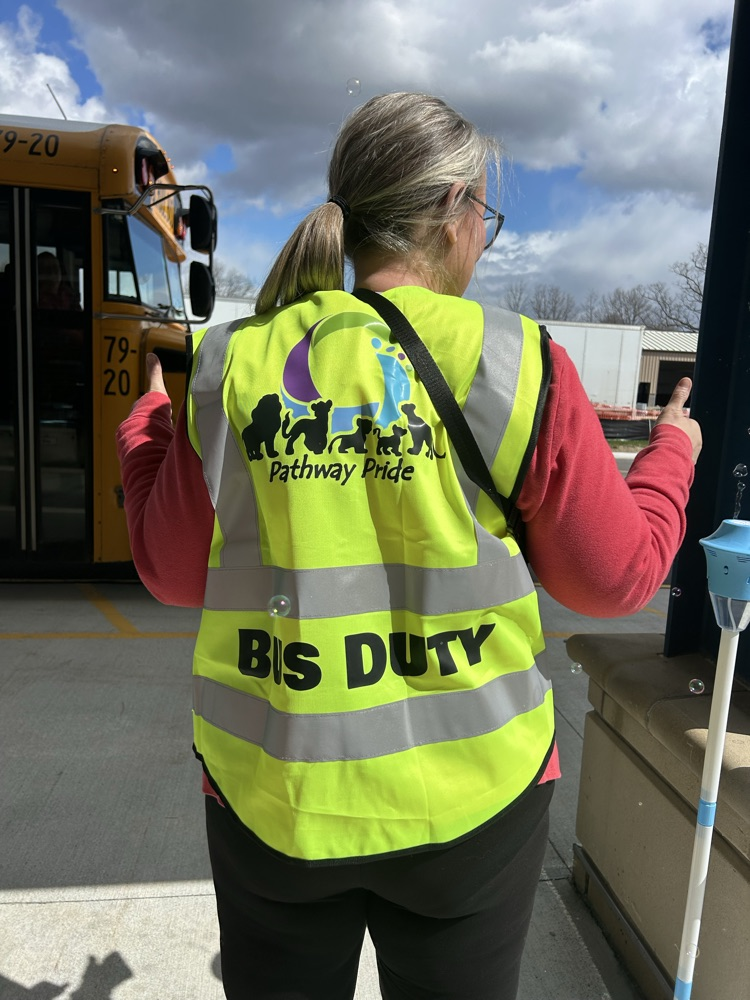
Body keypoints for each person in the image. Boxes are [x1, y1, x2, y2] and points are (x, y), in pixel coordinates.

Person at [116, 92, 702, 1000]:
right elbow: (616, 577)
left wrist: (146, 426)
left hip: (275, 801)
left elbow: (166, 569)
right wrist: (672, 454)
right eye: (485, 217)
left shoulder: (235, 363)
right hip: (473, 811)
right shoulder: (517, 361)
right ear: (450, 211)